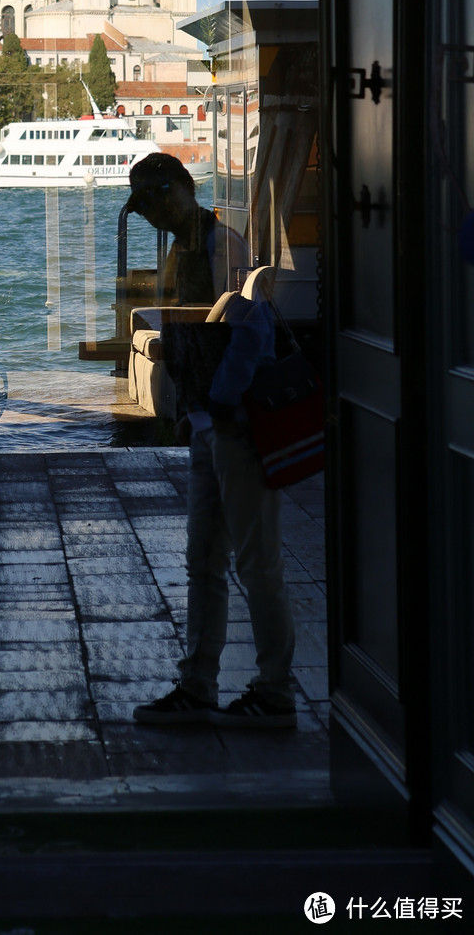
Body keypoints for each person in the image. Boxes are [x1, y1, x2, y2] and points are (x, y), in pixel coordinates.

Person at [125, 153, 298, 731]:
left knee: (255, 562)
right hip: (209, 422)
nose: (149, 215)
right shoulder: (188, 246)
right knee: (205, 560)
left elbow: (250, 328)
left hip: (234, 422)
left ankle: (274, 691)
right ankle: (198, 682)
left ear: (176, 191)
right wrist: (191, 410)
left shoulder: (221, 246)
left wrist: (220, 404)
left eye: (152, 202)